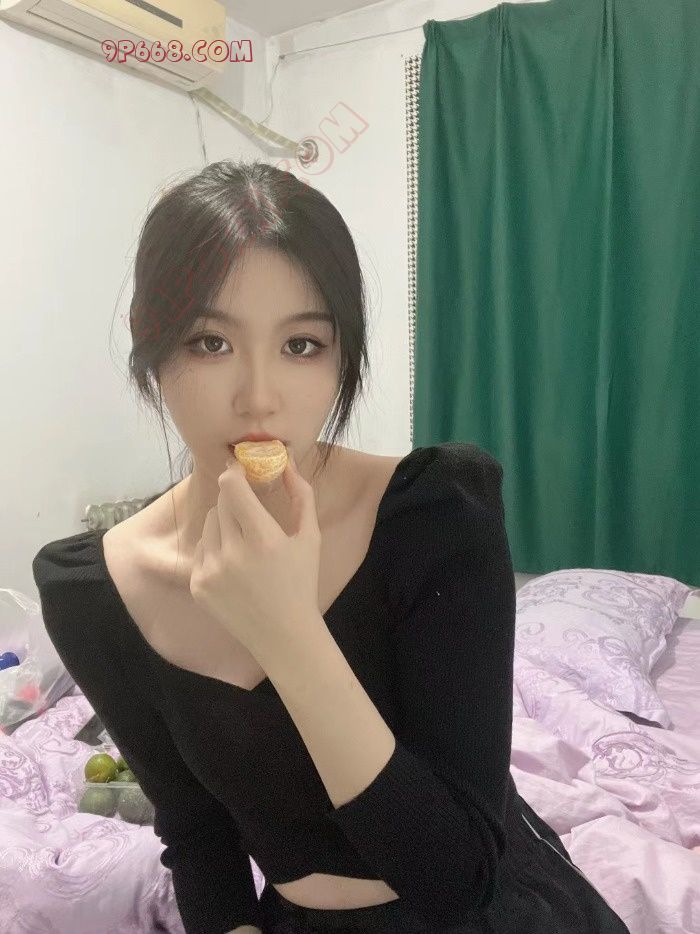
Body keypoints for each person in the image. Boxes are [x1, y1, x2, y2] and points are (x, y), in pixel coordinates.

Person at [32, 160, 631, 934]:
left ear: (343, 353)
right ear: (149, 344)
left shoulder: (435, 516)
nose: (259, 397)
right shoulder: (96, 590)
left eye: (301, 344)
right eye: (210, 342)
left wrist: (288, 633)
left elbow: (458, 878)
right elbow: (197, 831)